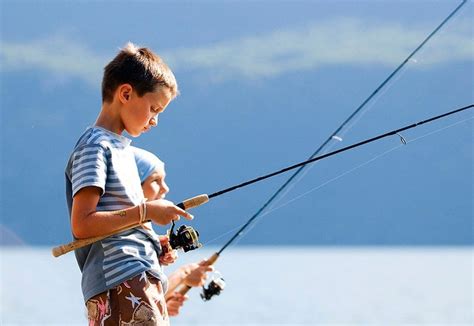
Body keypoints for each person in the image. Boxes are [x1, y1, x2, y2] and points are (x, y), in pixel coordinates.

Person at [65, 42, 193, 325]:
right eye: (153, 108)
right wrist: (146, 212)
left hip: (137, 277)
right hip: (122, 282)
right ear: (125, 93)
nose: (155, 121)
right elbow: (83, 223)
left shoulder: (121, 149)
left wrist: (150, 242)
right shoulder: (95, 147)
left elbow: (118, 223)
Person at [133, 146, 214, 317]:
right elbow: (135, 302)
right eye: (155, 181)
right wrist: (183, 274)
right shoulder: (126, 241)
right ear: (133, 187)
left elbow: (139, 304)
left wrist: (163, 304)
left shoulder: (138, 235)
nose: (165, 188)